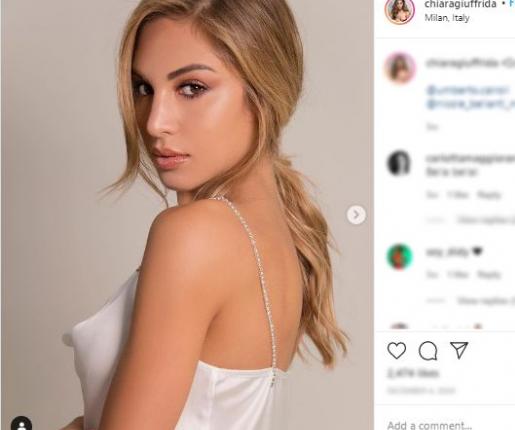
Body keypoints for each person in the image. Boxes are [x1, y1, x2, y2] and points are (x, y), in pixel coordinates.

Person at [59, 0, 348, 429]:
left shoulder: (194, 234)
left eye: (191, 88)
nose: (155, 122)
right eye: (143, 88)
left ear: (263, 90)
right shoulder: (277, 231)